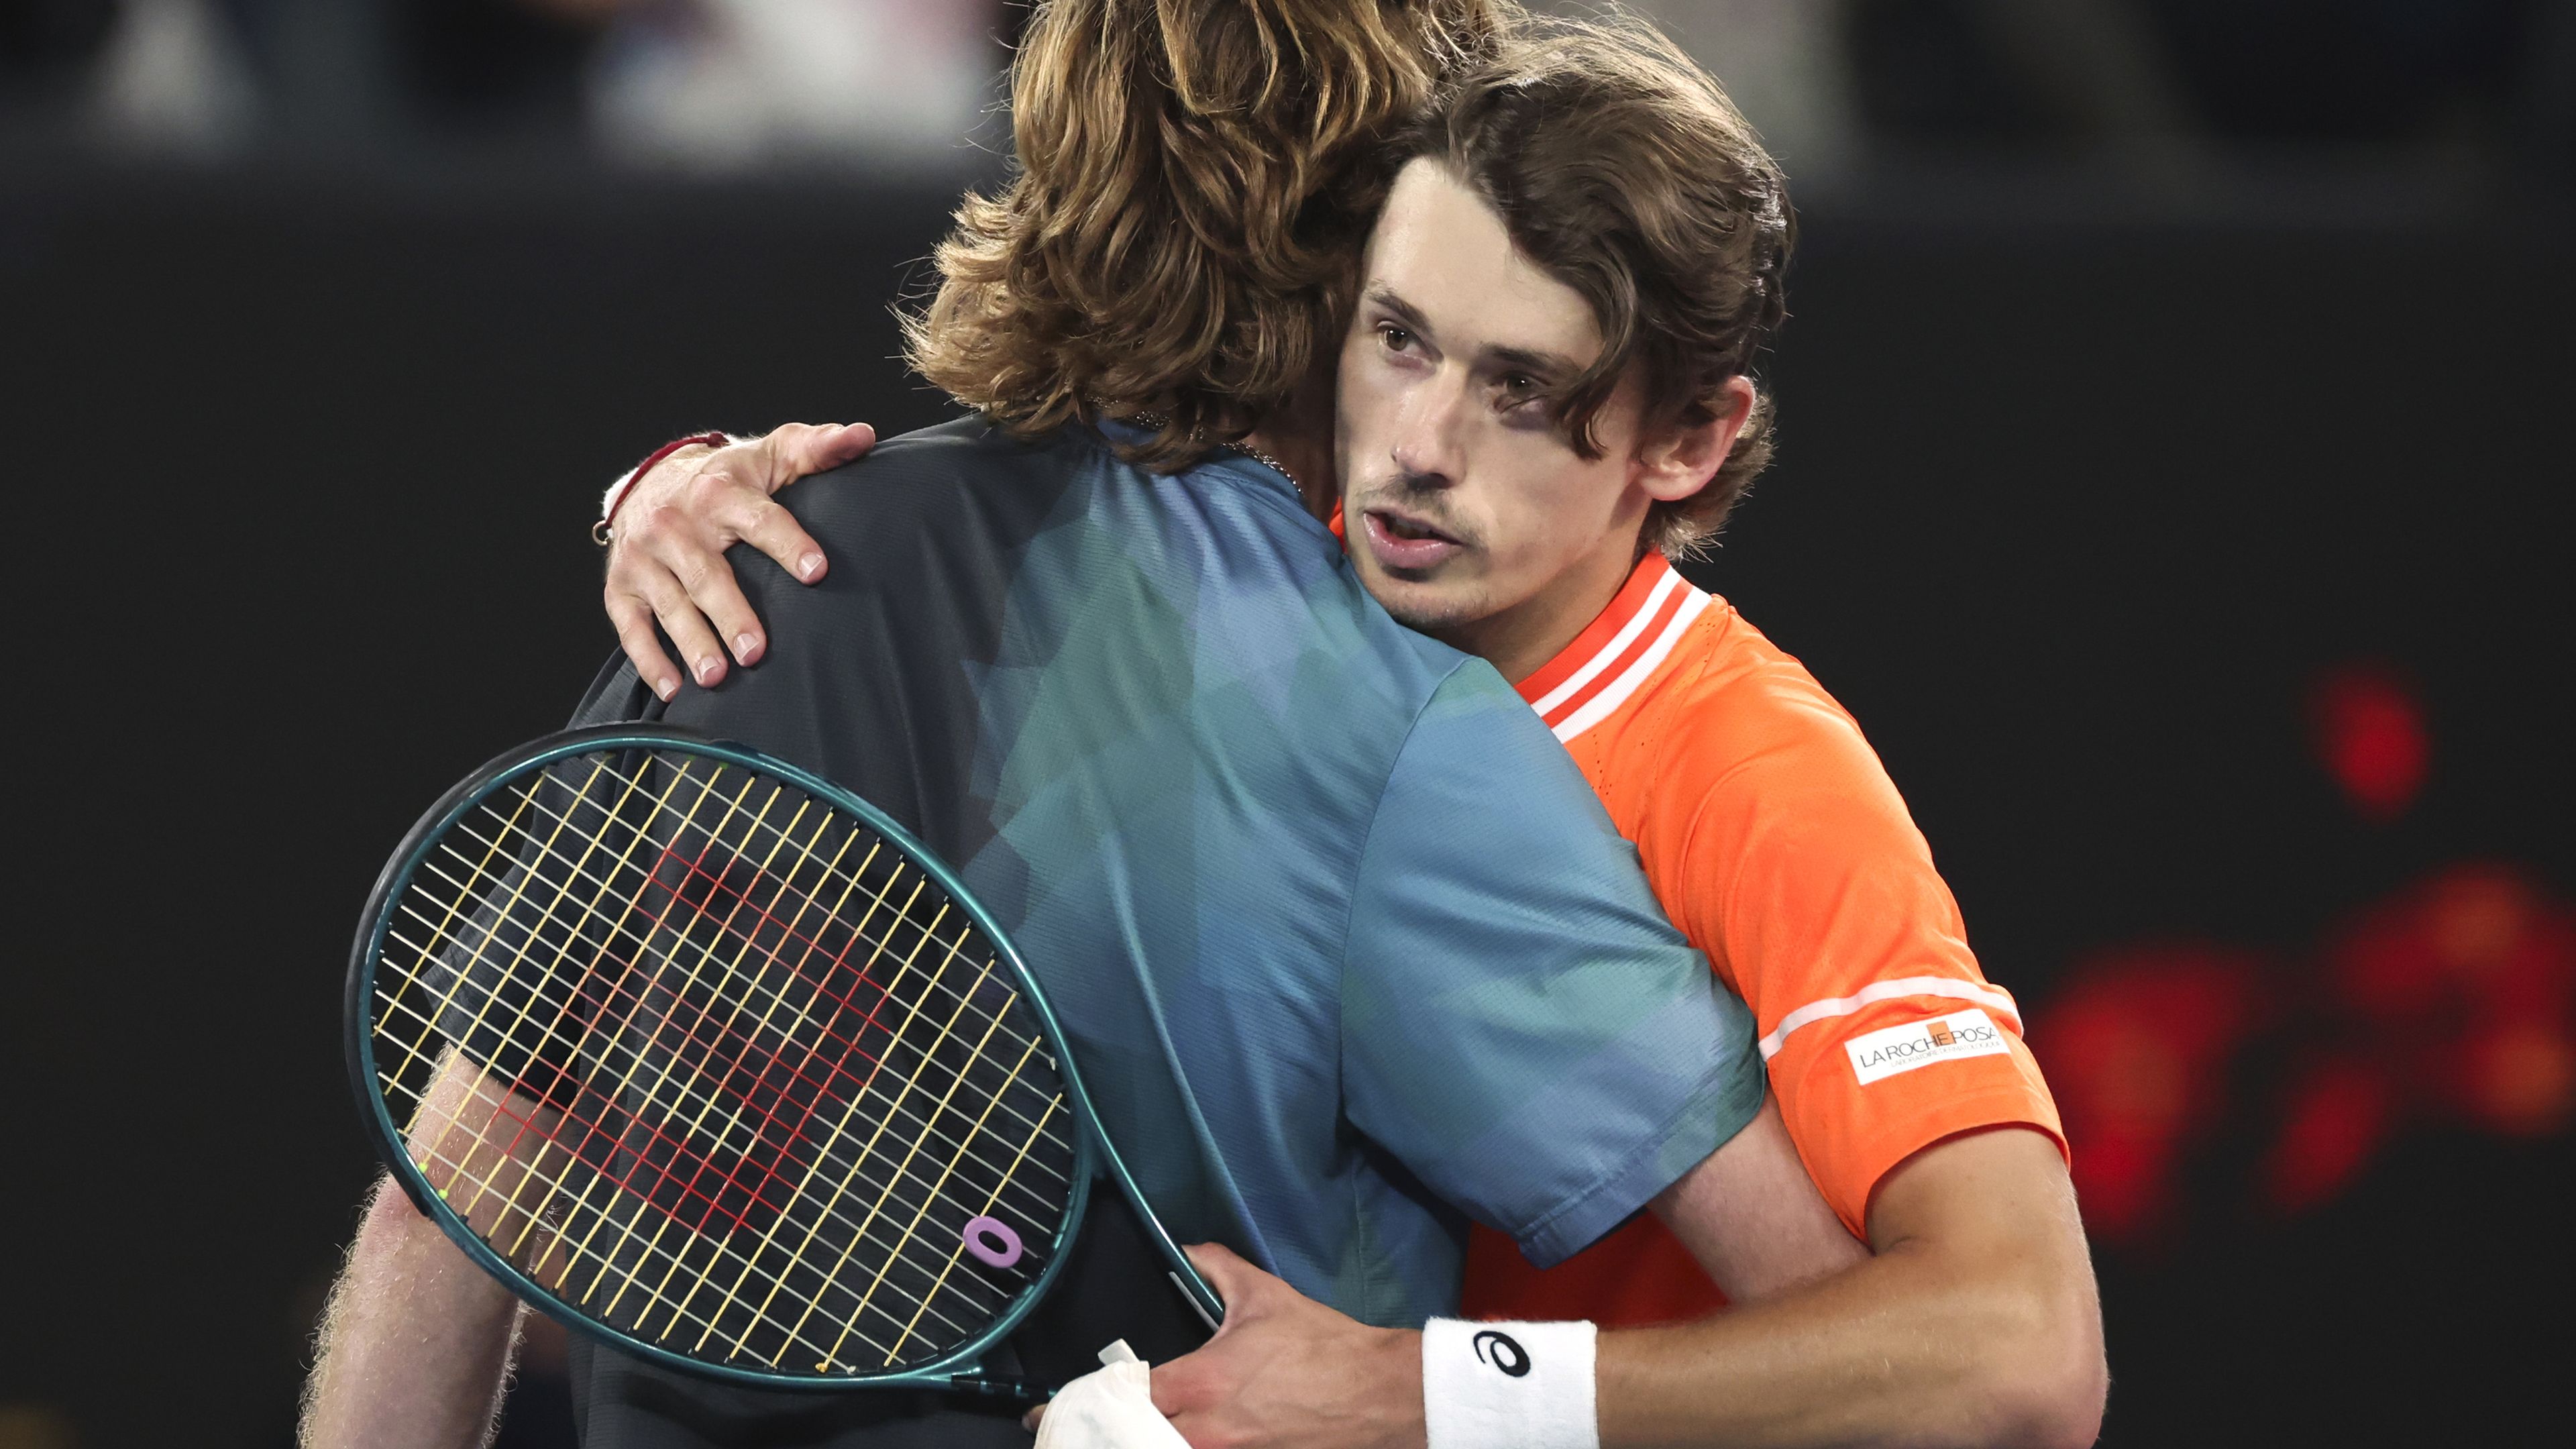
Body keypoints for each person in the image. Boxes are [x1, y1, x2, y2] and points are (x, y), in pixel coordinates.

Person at [301, 5, 1867, 1449]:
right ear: (1383, 225)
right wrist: (1429, 1399)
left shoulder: (748, 568)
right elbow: (1855, 1344)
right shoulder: (1414, 741)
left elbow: (441, 1211)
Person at [607, 15, 2107, 1449]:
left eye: (1522, 390)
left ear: (1691, 441)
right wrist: (691, 491)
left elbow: (2025, 1361)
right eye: (1399, 339)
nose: (1419, 448)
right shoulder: (1298, 604)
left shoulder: (1765, 783)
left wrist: (1431, 1397)